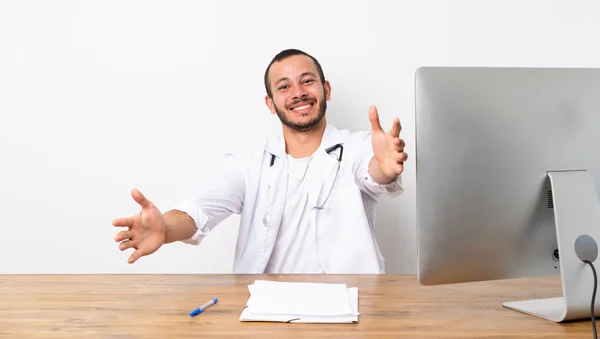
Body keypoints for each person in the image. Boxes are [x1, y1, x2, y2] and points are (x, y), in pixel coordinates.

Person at [112, 48, 407, 274]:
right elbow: (199, 211)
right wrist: (164, 228)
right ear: (270, 103)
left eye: (307, 81)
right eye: (284, 87)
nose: (298, 93)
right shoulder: (248, 163)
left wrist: (384, 168)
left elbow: (373, 172)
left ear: (326, 90)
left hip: (348, 303)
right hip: (266, 310)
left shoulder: (358, 146)